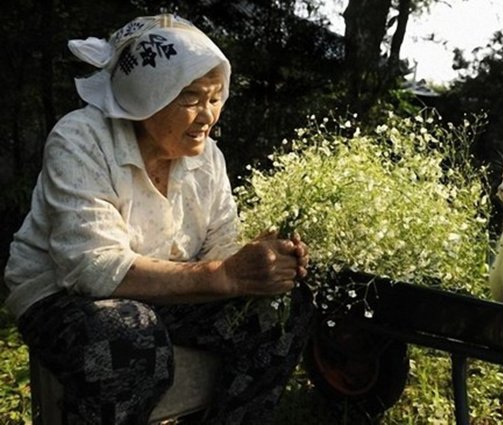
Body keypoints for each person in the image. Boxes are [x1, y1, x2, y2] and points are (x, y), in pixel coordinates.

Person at [3, 14, 314, 425]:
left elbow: (221, 245)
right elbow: (92, 271)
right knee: (131, 336)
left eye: (215, 97)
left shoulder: (208, 159)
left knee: (282, 310)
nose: (208, 115)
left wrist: (258, 262)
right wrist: (223, 274)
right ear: (146, 97)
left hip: (165, 288)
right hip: (60, 294)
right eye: (190, 98)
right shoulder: (80, 139)